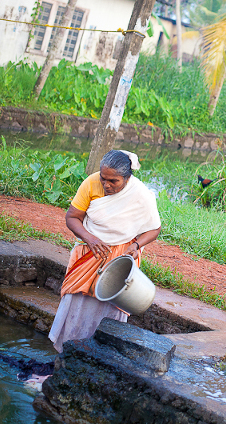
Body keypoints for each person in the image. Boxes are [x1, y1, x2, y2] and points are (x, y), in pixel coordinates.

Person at [48, 150, 161, 352]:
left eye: (113, 181)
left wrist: (136, 246)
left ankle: (102, 355)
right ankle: (66, 352)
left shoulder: (141, 194)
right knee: (76, 302)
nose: (106, 185)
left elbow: (154, 229)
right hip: (89, 255)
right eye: (103, 178)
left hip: (120, 259)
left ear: (127, 178)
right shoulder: (91, 183)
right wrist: (90, 238)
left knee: (110, 308)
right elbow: (72, 217)